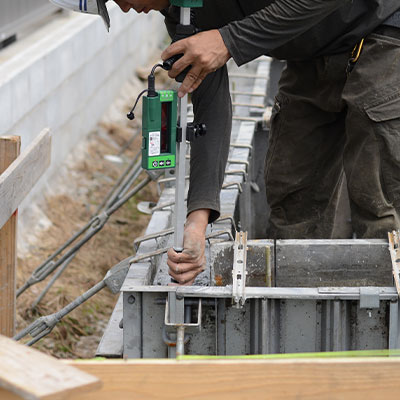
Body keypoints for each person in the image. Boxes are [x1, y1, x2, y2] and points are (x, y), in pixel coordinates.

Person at [54, 0, 400, 284]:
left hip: (382, 28)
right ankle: (304, 336)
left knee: (379, 193)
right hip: (314, 52)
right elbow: (210, 109)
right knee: (292, 192)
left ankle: (385, 347)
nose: (126, 9)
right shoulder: (182, 16)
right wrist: (197, 220)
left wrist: (228, 40)